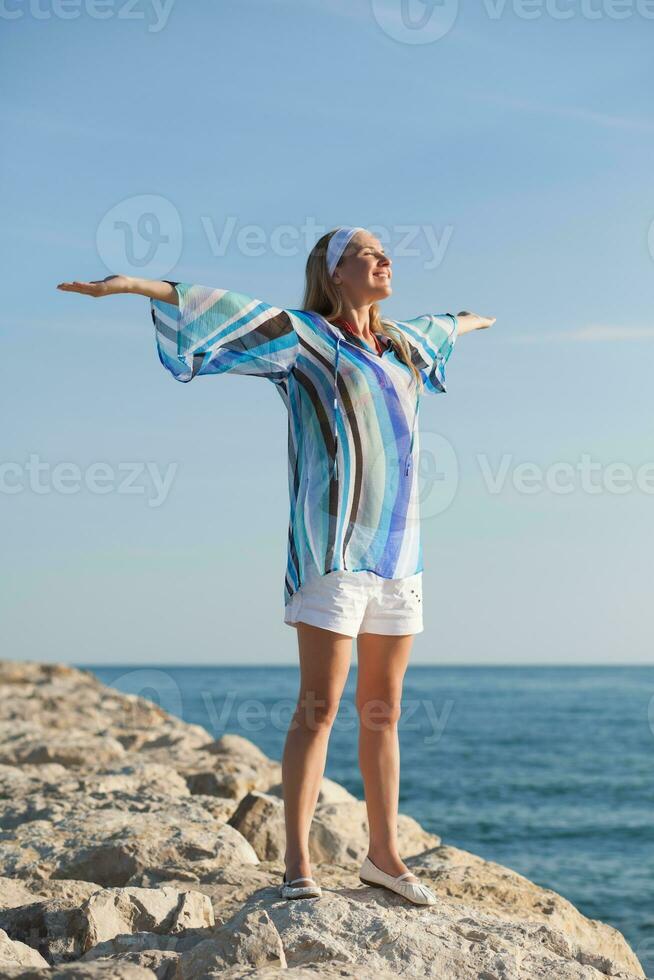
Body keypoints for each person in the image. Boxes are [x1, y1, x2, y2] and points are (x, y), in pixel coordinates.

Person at [57, 225, 495, 906]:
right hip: (329, 550)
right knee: (318, 708)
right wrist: (136, 285)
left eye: (385, 251)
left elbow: (453, 323)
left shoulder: (407, 343)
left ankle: (383, 856)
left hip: (399, 553)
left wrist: (477, 320)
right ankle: (297, 865)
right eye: (366, 253)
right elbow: (224, 307)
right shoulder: (304, 338)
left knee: (383, 709)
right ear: (334, 274)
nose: (384, 258)